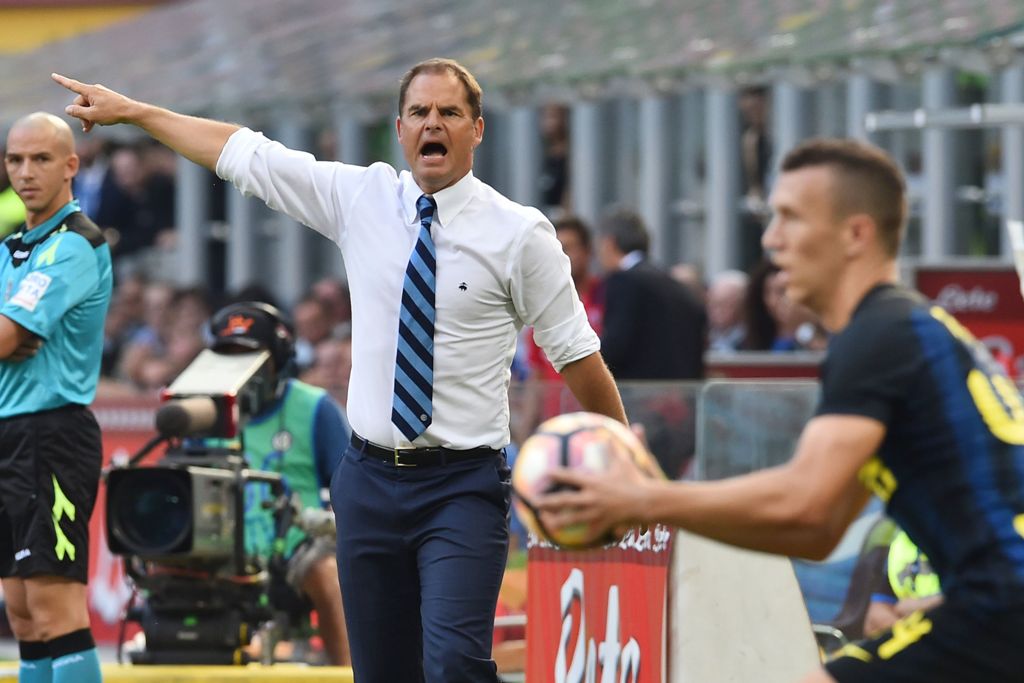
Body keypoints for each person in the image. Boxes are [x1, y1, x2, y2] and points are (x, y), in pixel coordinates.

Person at [53, 57, 626, 682]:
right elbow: (244, 154)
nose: (434, 123)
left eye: (450, 113)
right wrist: (136, 112)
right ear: (401, 128)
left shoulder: (521, 235)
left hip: (462, 486)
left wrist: (624, 469)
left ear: (477, 129)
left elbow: (577, 355)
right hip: (368, 483)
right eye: (420, 112)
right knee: (380, 672)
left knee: (456, 664)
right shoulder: (363, 197)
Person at [536, 137, 1024, 682]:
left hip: (1000, 607)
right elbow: (819, 529)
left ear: (855, 234)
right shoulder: (902, 329)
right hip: (990, 603)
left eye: (790, 218)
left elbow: (805, 506)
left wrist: (644, 496)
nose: (771, 240)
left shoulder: (878, 338)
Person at [0, 112, 113, 683]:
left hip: (51, 434)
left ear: (71, 166)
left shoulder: (74, 245)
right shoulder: (12, 248)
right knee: (21, 613)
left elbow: (5, 338)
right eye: (16, 160)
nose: (26, 173)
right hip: (9, 434)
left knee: (55, 609)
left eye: (41, 159)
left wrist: (10, 333)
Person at [207, 301, 350, 666]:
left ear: (279, 358)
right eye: (230, 356)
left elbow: (352, 490)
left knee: (326, 571)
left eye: (251, 357)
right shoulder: (203, 415)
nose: (240, 368)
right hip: (220, 549)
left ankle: (348, 670)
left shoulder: (315, 408)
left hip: (297, 550)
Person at [597, 206, 706, 380]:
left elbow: (616, 346)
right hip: (682, 395)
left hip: (639, 397)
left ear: (609, 243)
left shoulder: (623, 281)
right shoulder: (674, 284)